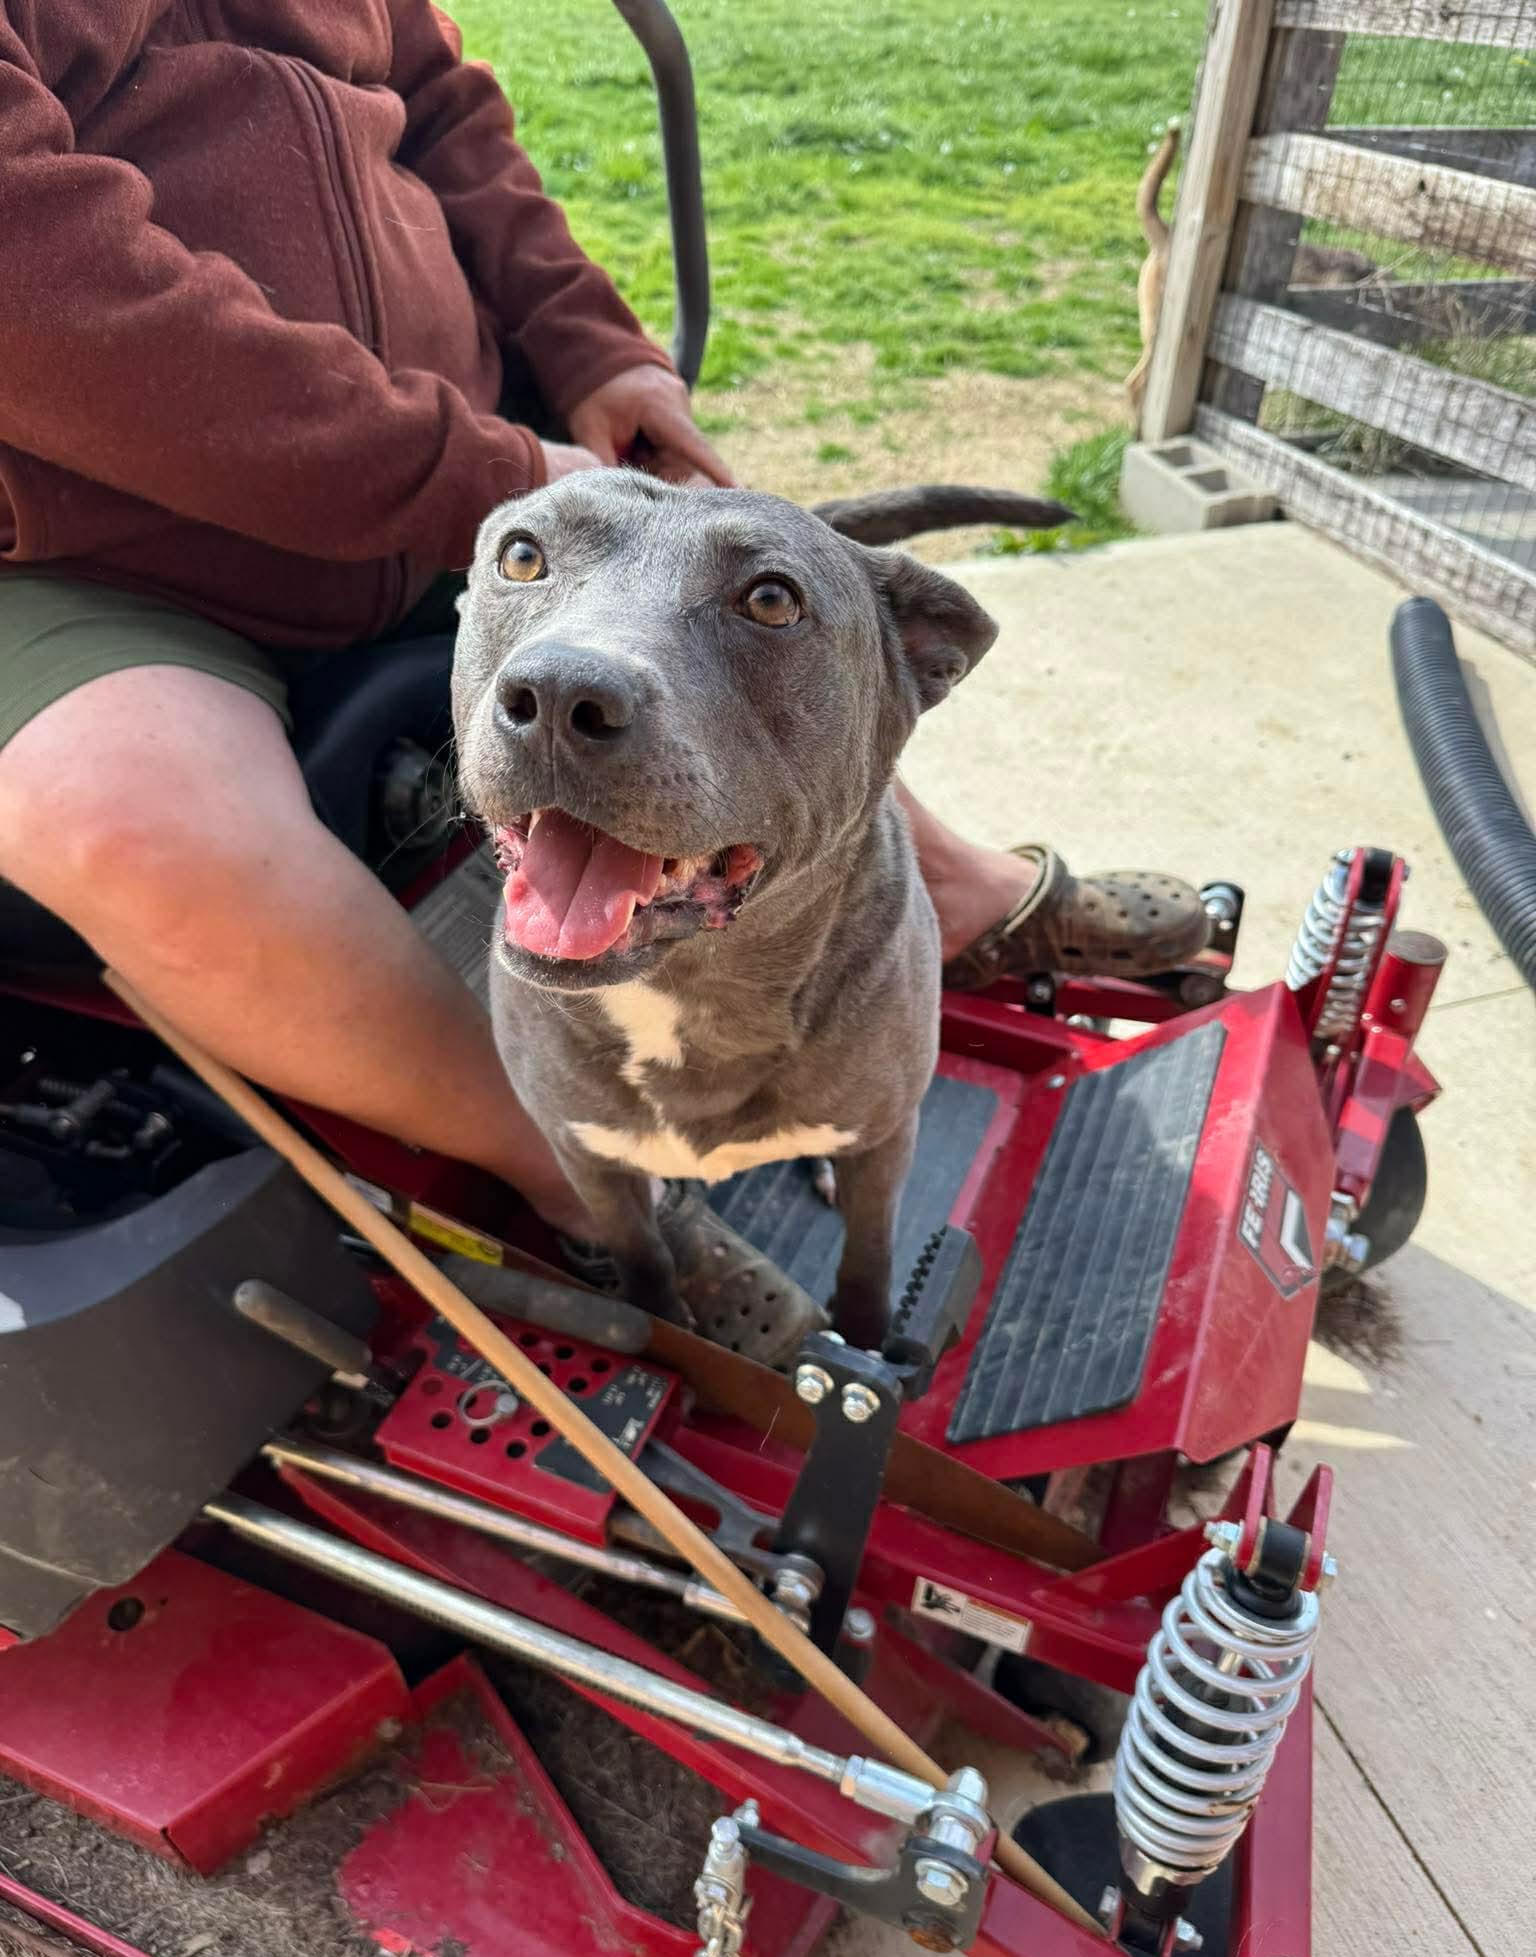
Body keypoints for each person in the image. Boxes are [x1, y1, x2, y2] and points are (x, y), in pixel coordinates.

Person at [0, 3, 1207, 1264]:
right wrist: (478, 471)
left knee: (752, 618)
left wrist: (584, 341)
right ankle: (571, 1172)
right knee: (127, 817)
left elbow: (440, 103)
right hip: (87, 542)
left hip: (426, 449)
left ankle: (943, 892)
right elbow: (32, 282)